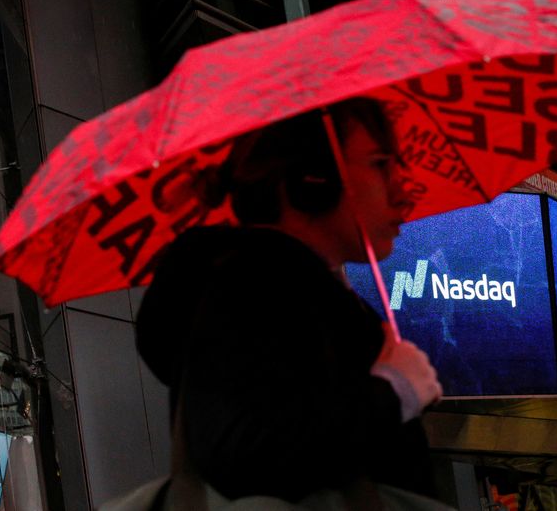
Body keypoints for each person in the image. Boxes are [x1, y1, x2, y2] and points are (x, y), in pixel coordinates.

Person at [120, 98, 446, 510]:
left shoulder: (287, 288)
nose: (403, 192)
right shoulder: (256, 284)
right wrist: (396, 390)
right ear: (314, 177)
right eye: (380, 164)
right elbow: (246, 453)